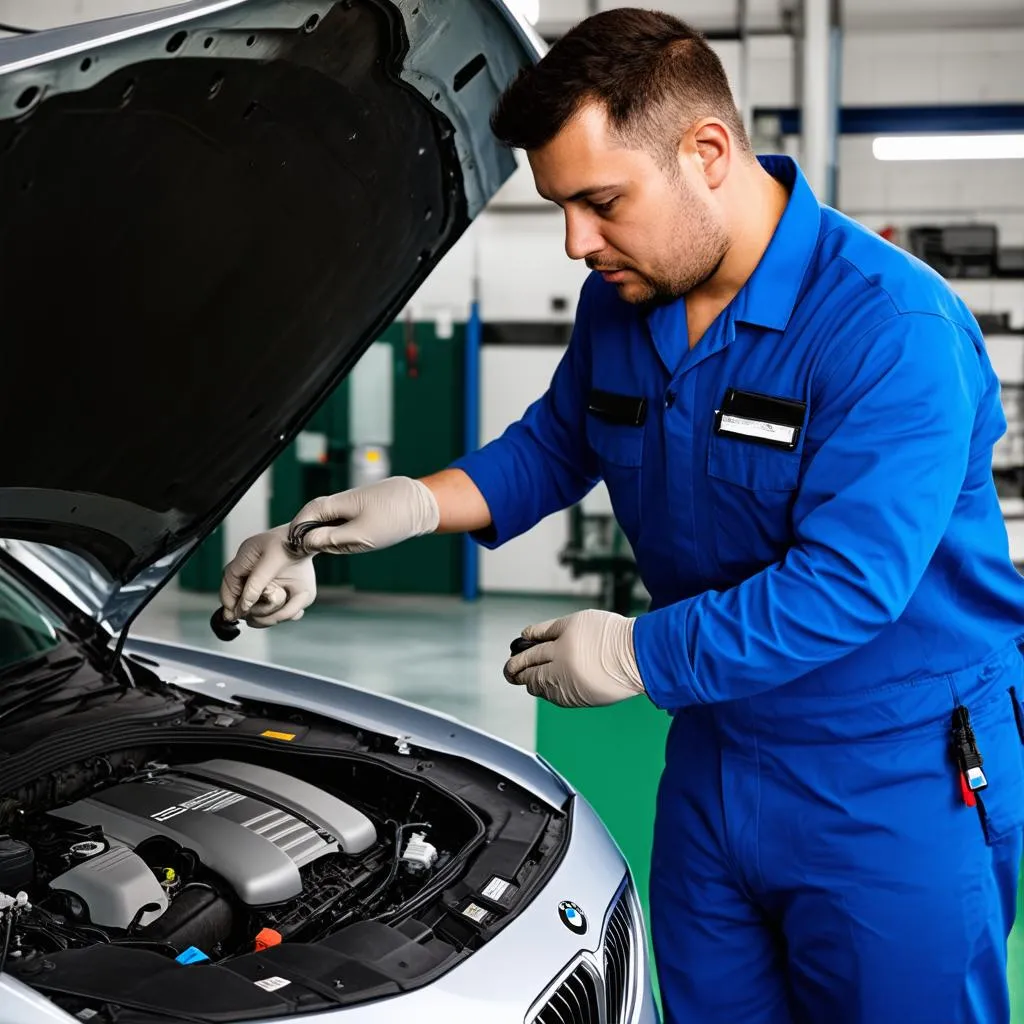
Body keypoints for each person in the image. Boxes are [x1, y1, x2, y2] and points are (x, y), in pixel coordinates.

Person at [218, 9, 1024, 1023]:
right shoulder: (625, 297)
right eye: (560, 206)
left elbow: (847, 584)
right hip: (715, 754)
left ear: (708, 152)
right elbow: (558, 444)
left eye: (599, 202)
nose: (574, 242)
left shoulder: (888, 329)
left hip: (895, 772)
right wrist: (413, 504)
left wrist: (637, 654)